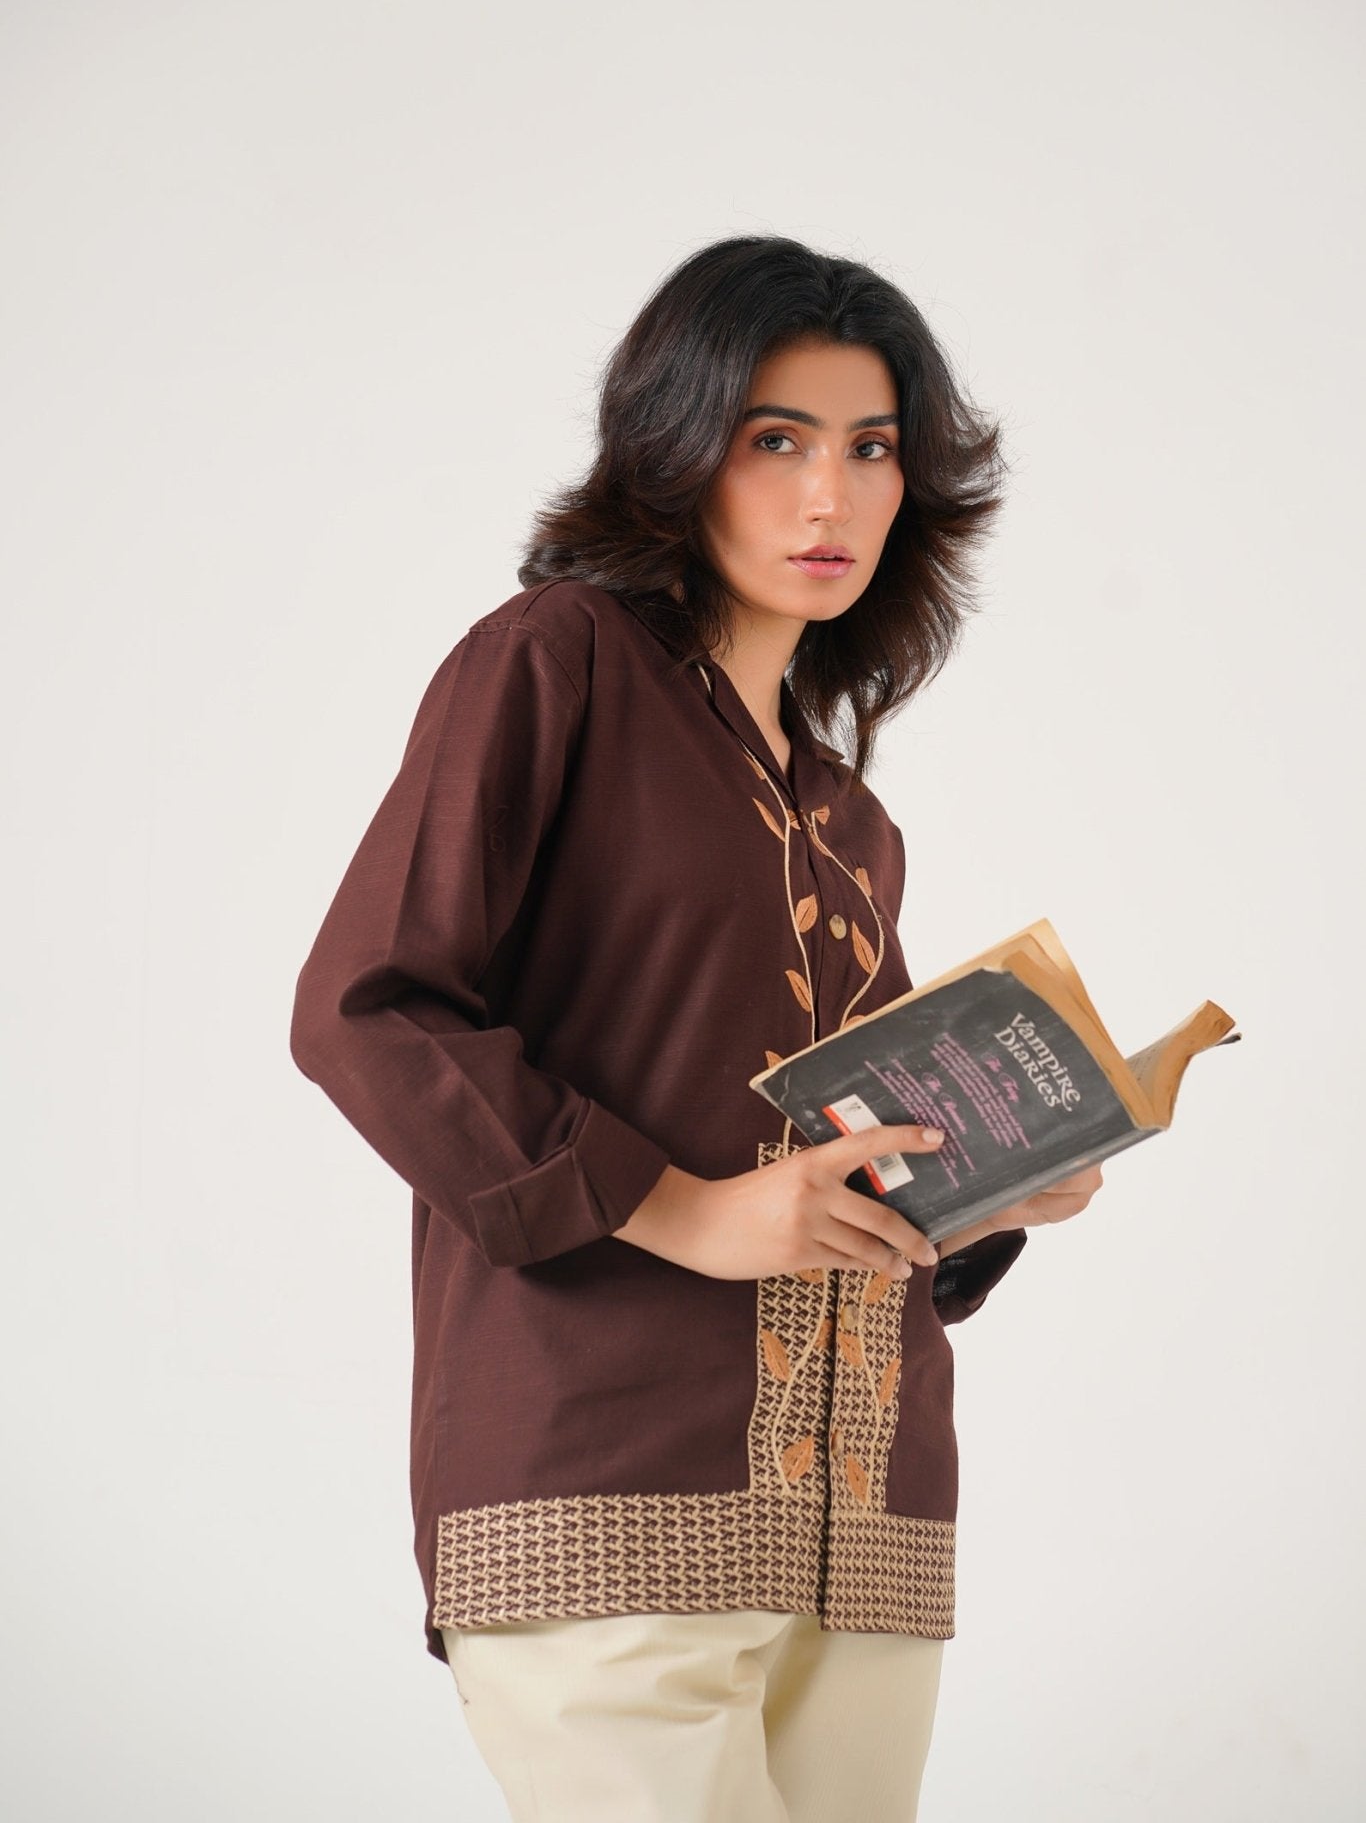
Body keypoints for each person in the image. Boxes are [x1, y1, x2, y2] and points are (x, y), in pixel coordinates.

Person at [288, 234, 1102, 1821]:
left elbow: (837, 1172)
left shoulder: (848, 823)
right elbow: (369, 1006)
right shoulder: (553, 666)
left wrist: (995, 1181)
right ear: (676, 450)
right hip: (602, 1482)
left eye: (871, 449)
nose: (831, 497)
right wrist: (683, 1208)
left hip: (864, 1521)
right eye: (773, 440)